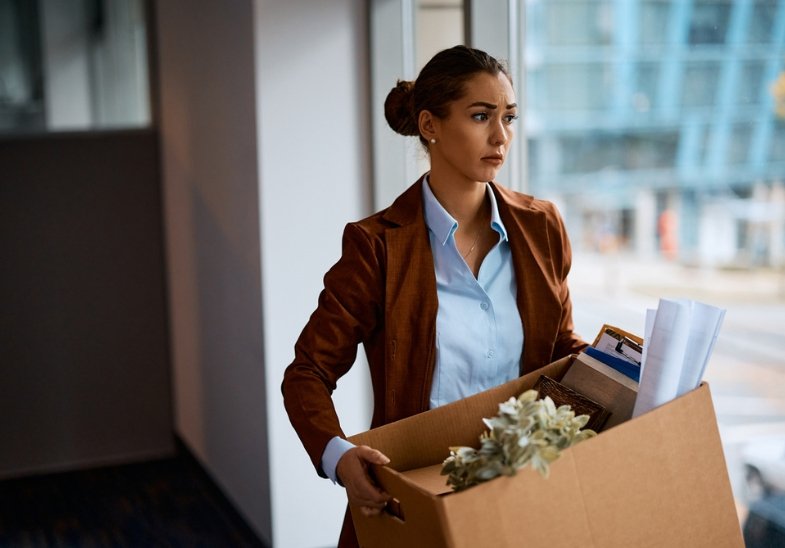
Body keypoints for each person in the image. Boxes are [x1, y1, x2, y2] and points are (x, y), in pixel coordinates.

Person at [281, 45, 587, 547]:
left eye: (508, 117)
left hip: (523, 493)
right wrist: (339, 456)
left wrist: (626, 373)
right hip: (416, 497)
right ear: (430, 125)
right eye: (480, 116)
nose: (501, 136)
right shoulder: (377, 245)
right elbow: (307, 373)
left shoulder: (541, 226)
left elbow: (560, 349)